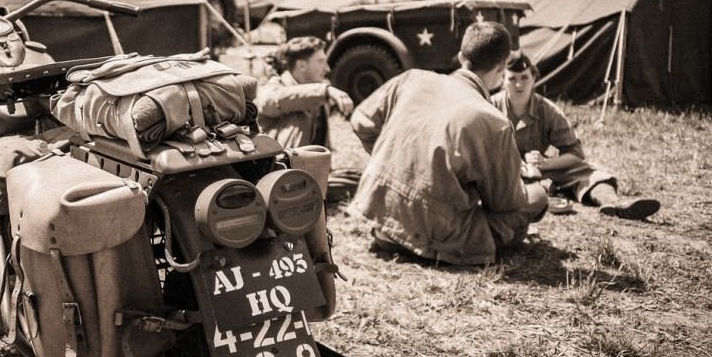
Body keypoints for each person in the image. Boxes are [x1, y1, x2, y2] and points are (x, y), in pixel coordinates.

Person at [349, 21, 547, 266]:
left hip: (382, 218)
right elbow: (505, 203)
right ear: (502, 67)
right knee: (537, 196)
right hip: (438, 235)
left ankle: (395, 236)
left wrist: (390, 156)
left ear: (462, 56)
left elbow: (360, 121)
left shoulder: (411, 78)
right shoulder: (494, 121)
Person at [490, 51, 660, 220]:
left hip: (536, 169)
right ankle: (538, 191)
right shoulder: (490, 106)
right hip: (502, 170)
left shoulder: (547, 110)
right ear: (503, 81)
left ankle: (614, 203)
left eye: (525, 78)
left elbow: (575, 153)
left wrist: (545, 163)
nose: (519, 85)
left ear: (534, 78)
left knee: (587, 171)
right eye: (512, 79)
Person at [255, 36, 353, 148]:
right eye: (321, 62)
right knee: (300, 117)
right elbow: (271, 100)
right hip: (272, 162)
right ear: (301, 65)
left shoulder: (316, 93)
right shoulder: (273, 87)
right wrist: (325, 90)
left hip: (310, 162)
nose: (327, 69)